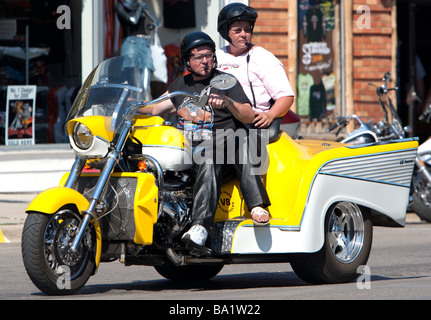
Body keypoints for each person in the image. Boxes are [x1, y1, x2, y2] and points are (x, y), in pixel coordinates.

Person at [139, 31, 271, 248]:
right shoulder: (179, 86)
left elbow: (248, 115)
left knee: (217, 150)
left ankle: (203, 224)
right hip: (190, 150)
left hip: (225, 152)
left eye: (208, 55)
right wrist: (131, 104)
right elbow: (155, 107)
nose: (205, 61)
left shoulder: (226, 81)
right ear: (187, 61)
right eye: (198, 57)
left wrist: (228, 102)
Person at [216, 2, 295, 129]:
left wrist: (270, 115)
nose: (244, 34)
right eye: (237, 30)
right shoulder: (217, 56)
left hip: (251, 126)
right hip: (220, 125)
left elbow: (286, 96)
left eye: (247, 29)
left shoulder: (263, 57)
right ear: (226, 32)